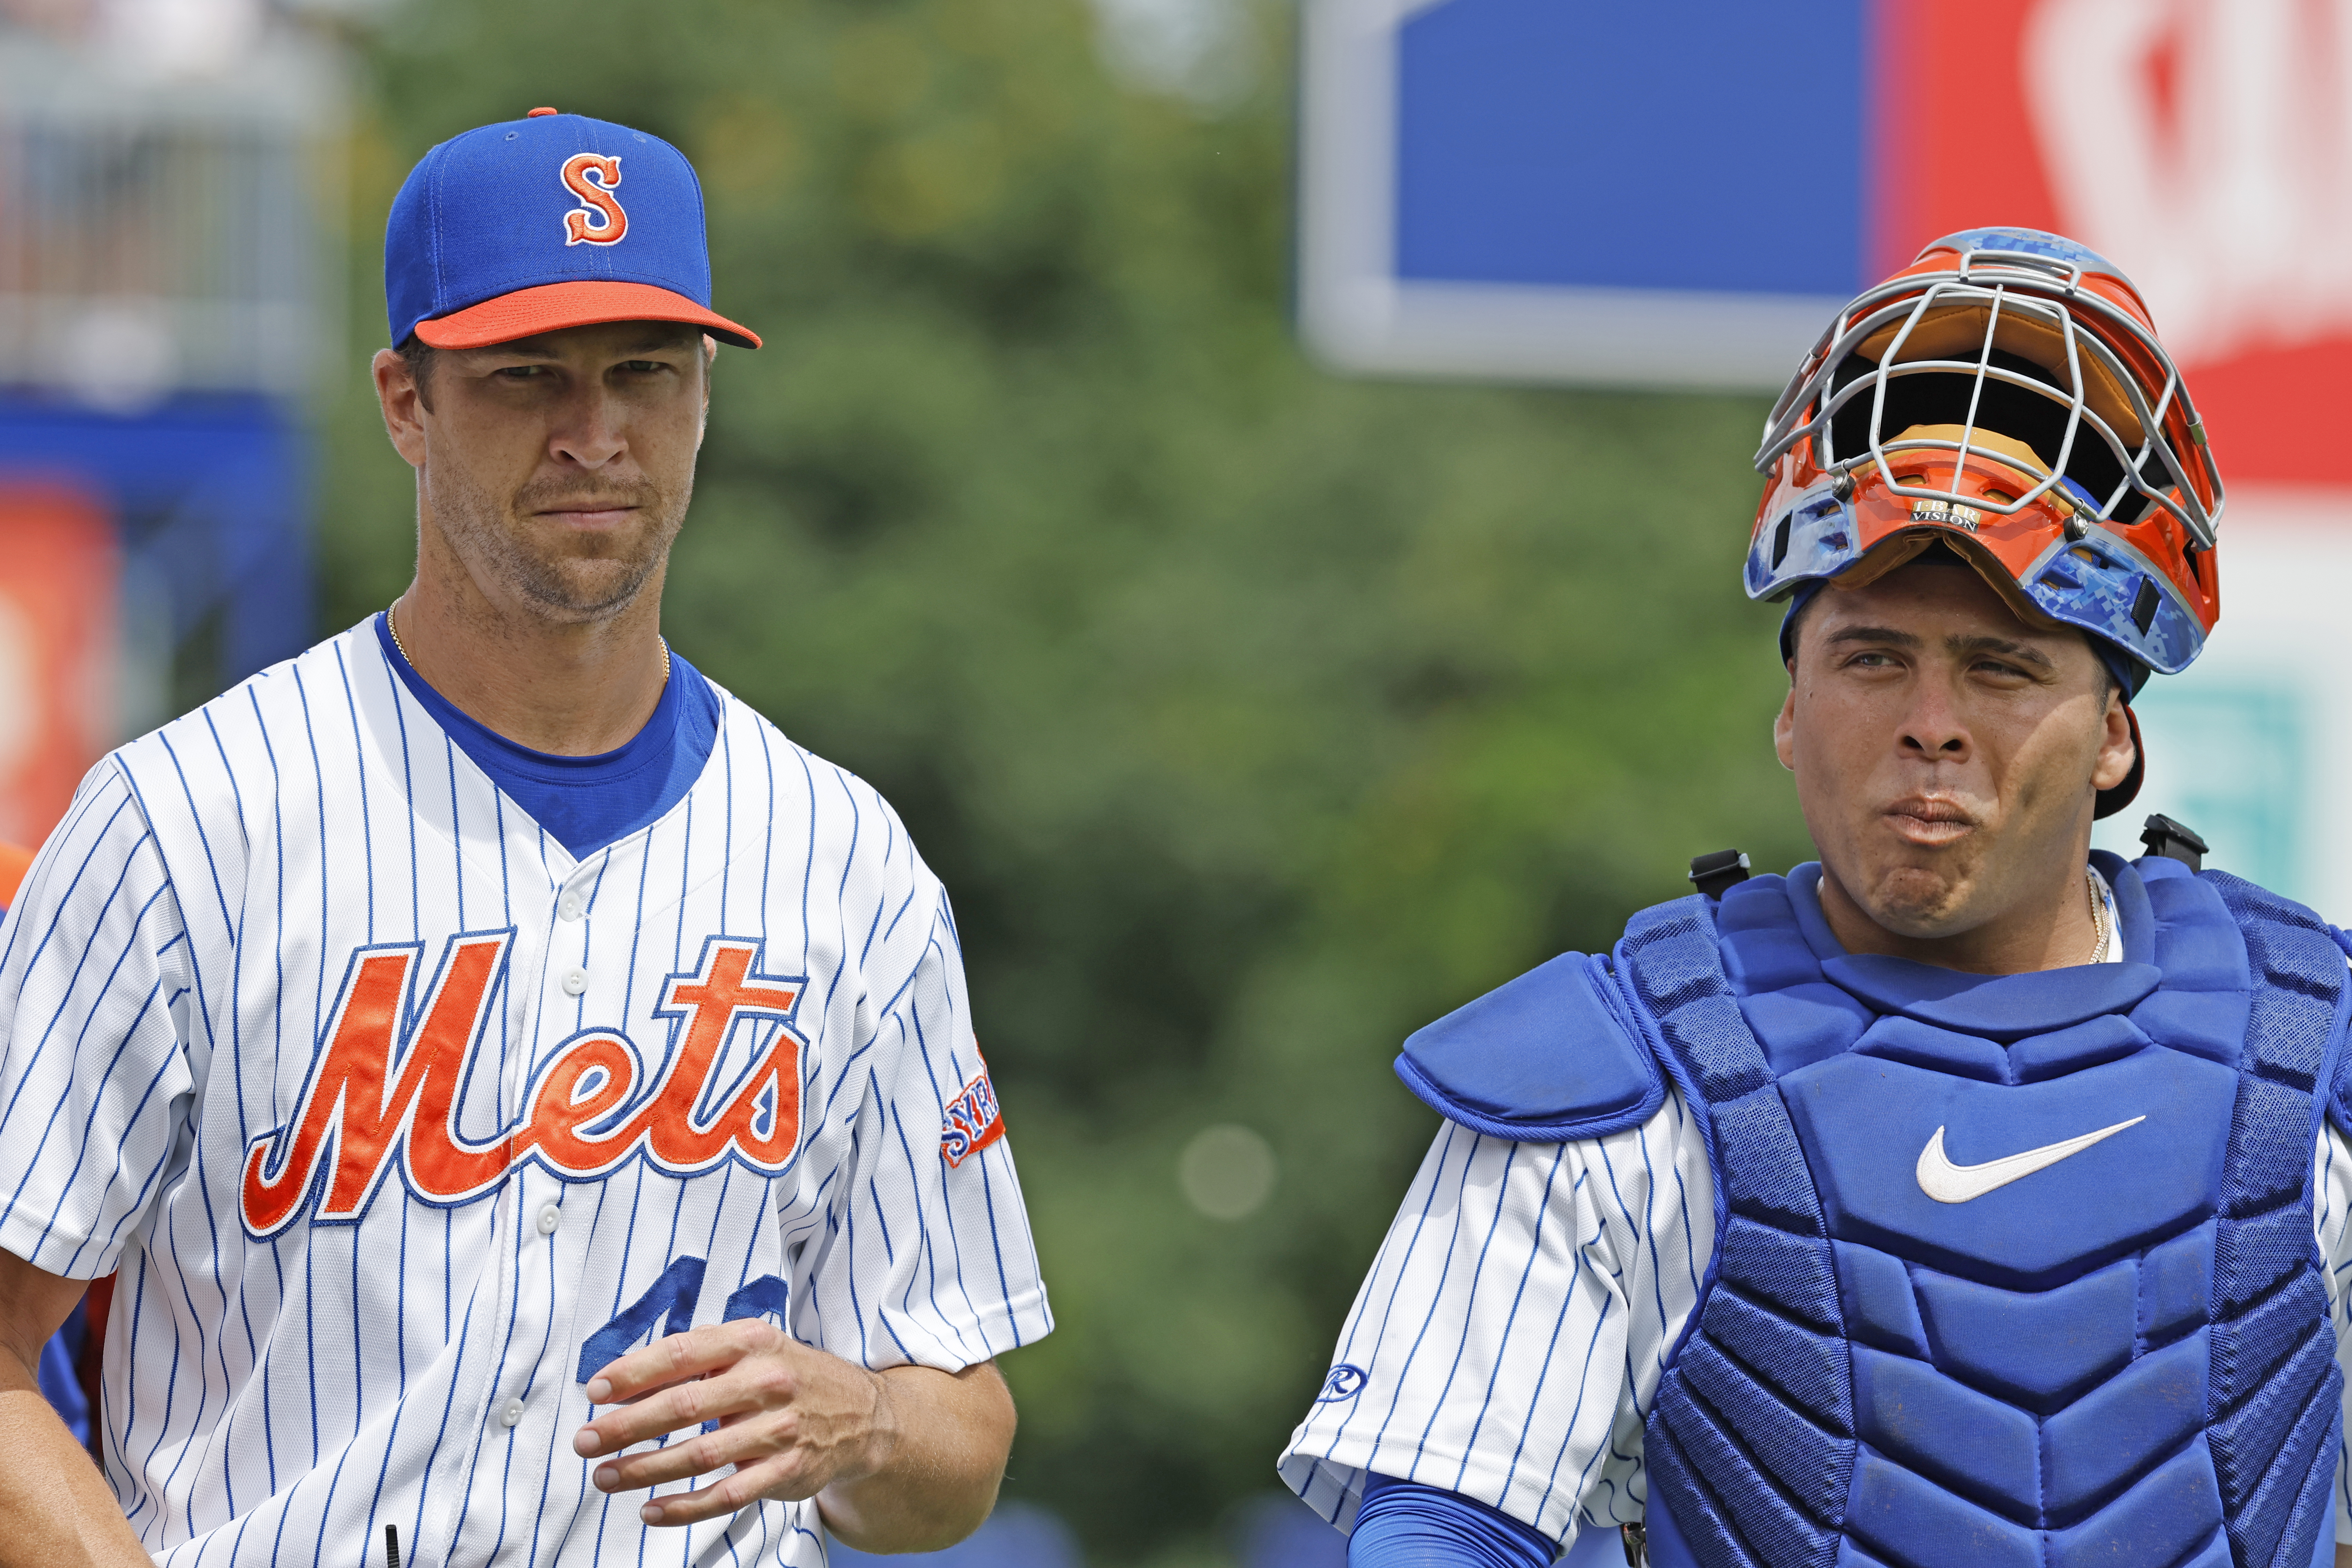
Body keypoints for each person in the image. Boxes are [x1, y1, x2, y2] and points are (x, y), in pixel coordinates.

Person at [0, 107, 1051, 1566]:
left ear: (703, 398)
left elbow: (963, 1429)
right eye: (525, 376)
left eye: (644, 374)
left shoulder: (847, 865)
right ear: (405, 402)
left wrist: (862, 1422)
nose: (595, 433)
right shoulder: (187, 823)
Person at [1278, 228, 2352, 1568]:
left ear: (2119, 736)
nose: (1930, 724)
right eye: (1873, 658)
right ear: (1792, 710)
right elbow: (1439, 1533)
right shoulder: (1625, 1079)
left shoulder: (2315, 1057)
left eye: (2003, 669)